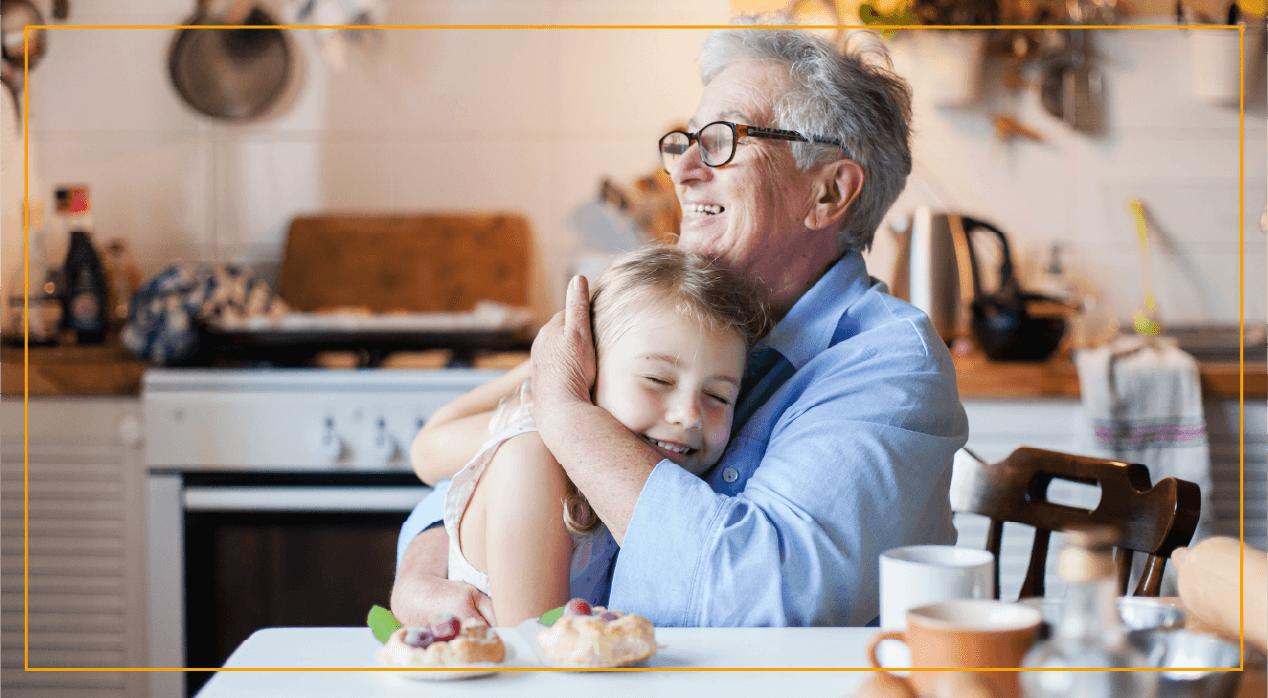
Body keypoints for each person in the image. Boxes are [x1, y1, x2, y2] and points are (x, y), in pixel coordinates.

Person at [393, 17, 968, 628]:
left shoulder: (888, 367)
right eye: (686, 140)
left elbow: (760, 602)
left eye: (723, 140)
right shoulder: (665, 325)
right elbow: (490, 468)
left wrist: (567, 417)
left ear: (828, 192)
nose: (684, 168)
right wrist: (427, 566)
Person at [415, 245, 769, 626]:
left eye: (718, 396)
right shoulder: (531, 459)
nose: (689, 415)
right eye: (657, 380)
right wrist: (549, 370)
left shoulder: (674, 486)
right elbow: (540, 658)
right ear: (591, 369)